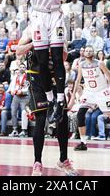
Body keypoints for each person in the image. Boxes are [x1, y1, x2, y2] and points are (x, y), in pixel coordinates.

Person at [15, 27, 78, 176]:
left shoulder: (59, 30)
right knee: (41, 118)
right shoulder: (30, 31)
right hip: (35, 78)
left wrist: (53, 46)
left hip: (54, 76)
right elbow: (18, 51)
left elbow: (63, 57)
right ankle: (37, 162)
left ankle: (63, 160)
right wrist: (36, 43)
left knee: (62, 118)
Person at [71, 46, 110, 152]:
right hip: (89, 92)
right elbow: (77, 80)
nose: (88, 51)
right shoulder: (81, 65)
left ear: (93, 52)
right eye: (86, 50)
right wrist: (73, 96)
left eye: (90, 50)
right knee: (80, 114)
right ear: (84, 53)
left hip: (101, 92)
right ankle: (83, 142)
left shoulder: (100, 63)